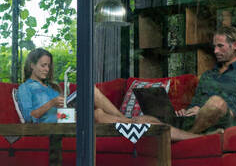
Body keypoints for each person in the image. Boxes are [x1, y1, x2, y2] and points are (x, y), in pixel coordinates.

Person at [15, 49, 154, 125]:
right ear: (32, 65)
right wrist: (51, 103)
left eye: (48, 65)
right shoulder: (25, 88)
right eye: (43, 65)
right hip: (51, 122)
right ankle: (133, 122)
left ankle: (128, 120)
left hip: (65, 115)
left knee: (92, 93)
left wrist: (64, 102)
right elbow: (29, 117)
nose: (46, 69)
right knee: (97, 114)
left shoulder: (50, 87)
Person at [175, 26, 236, 134]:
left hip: (222, 124)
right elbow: (194, 104)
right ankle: (193, 136)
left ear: (235, 45)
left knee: (216, 103)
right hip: (194, 121)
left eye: (220, 46)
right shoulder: (207, 75)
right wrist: (186, 112)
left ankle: (188, 136)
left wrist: (205, 111)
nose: (215, 51)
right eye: (214, 46)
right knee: (146, 119)